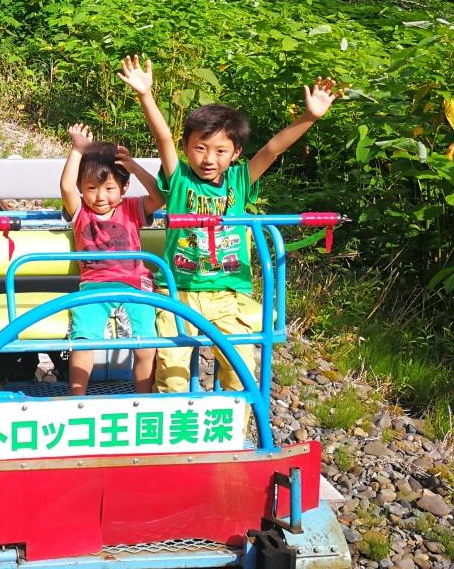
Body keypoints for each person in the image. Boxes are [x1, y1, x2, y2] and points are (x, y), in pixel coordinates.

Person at [117, 55, 341, 393]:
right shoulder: (179, 179)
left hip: (228, 293)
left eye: (220, 151)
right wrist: (145, 95)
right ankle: (174, 423)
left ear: (235, 153)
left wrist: (308, 117)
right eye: (200, 148)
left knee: (240, 373)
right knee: (172, 376)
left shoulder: (239, 180)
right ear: (186, 147)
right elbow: (162, 138)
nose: (209, 159)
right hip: (179, 290)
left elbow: (272, 150)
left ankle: (236, 422)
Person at [59, 123, 165, 395]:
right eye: (91, 188)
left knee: (147, 345)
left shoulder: (132, 208)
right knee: (83, 341)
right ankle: (77, 398)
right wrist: (77, 150)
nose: (100, 197)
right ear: (82, 188)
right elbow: (66, 186)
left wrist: (134, 166)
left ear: (124, 187)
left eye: (109, 188)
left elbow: (159, 197)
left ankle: (144, 398)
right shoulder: (80, 212)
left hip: (135, 285)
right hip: (94, 287)